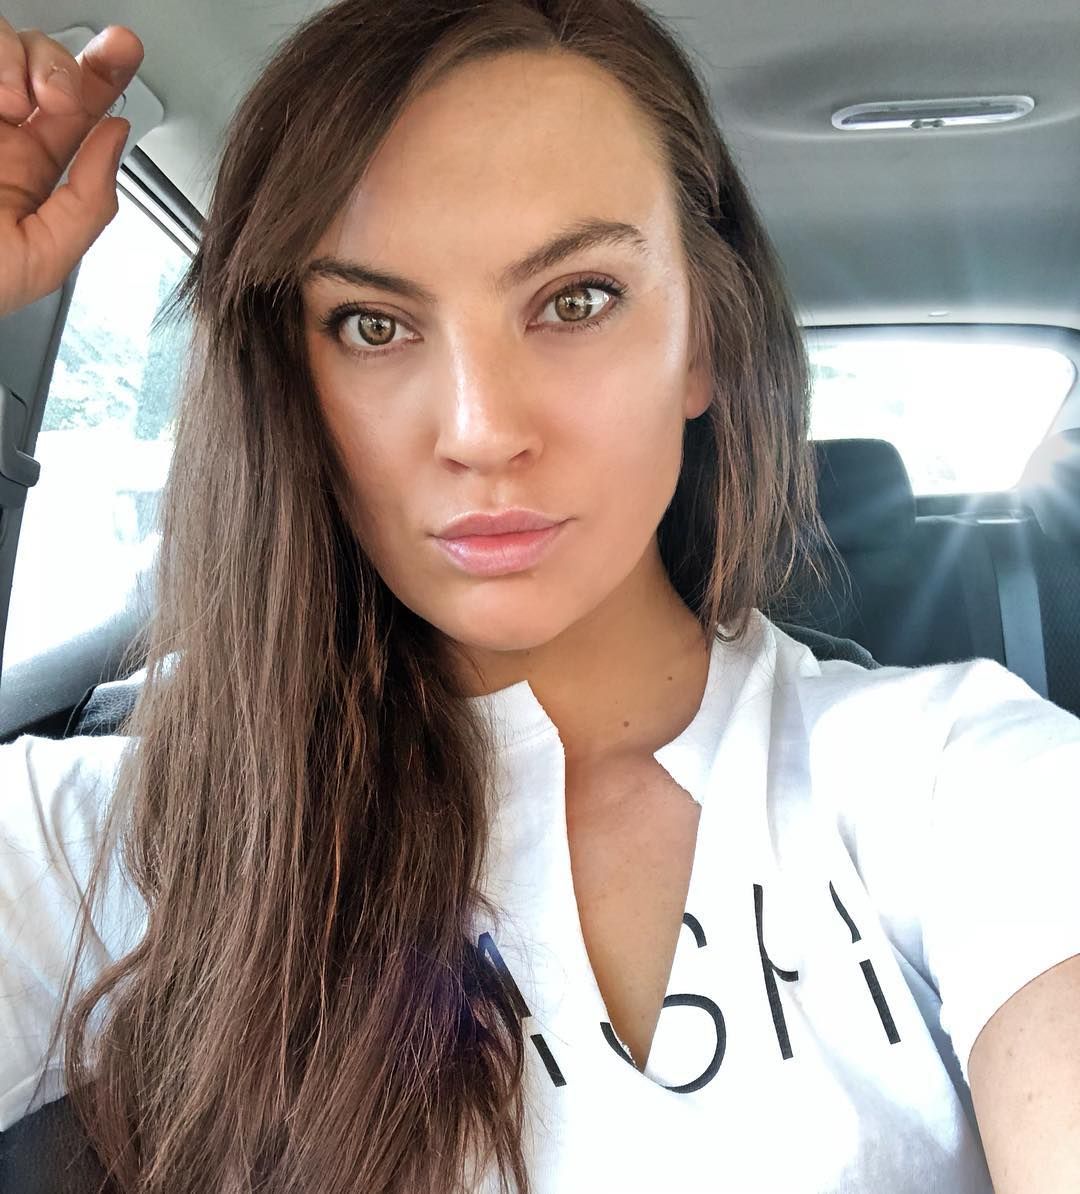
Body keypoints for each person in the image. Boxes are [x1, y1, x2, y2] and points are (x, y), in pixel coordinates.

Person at [0, 4, 1078, 1192]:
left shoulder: (966, 782)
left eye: (576, 300)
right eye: (373, 324)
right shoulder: (139, 830)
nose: (481, 430)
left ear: (704, 342)